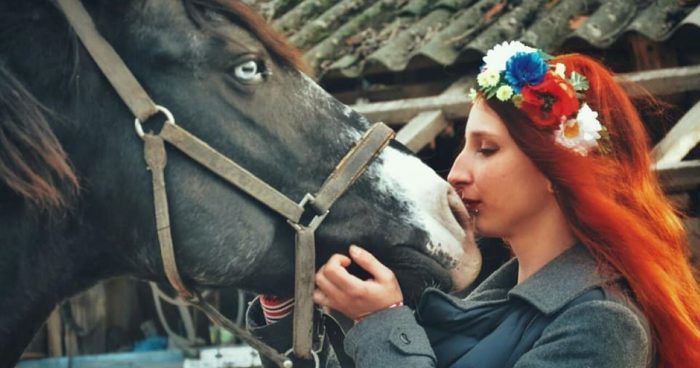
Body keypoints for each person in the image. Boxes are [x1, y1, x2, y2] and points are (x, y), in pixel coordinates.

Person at [247, 41, 700, 368]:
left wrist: (381, 321)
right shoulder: (482, 305)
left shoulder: (601, 325)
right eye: (466, 147)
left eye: (486, 150)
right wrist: (285, 307)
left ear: (554, 169)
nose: (456, 173)